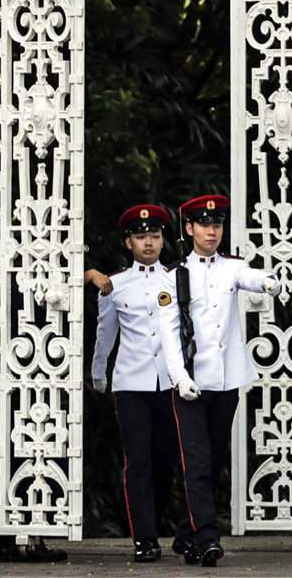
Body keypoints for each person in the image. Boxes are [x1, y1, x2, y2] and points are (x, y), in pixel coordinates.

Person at [157, 194, 280, 567]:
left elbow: (251, 277)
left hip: (225, 381)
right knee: (195, 460)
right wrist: (179, 378)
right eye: (205, 225)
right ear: (190, 228)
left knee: (213, 460)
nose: (212, 231)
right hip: (191, 383)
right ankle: (208, 539)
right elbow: (169, 332)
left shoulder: (231, 267)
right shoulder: (173, 275)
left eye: (218, 225)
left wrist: (270, 282)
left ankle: (187, 533)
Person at [0, 267, 111, 564]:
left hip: (43, 360)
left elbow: (56, 281)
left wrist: (86, 276)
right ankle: (18, 537)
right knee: (18, 445)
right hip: (21, 357)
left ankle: (28, 535)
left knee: (36, 445)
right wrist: (87, 276)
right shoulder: (15, 261)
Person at [91, 204, 182, 562]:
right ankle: (144, 538)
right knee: (138, 461)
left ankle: (157, 524)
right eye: (141, 236)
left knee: (166, 461)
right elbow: (105, 334)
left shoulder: (177, 280)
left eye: (155, 236)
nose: (149, 243)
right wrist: (99, 373)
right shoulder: (117, 285)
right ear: (128, 241)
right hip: (131, 384)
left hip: (170, 383)